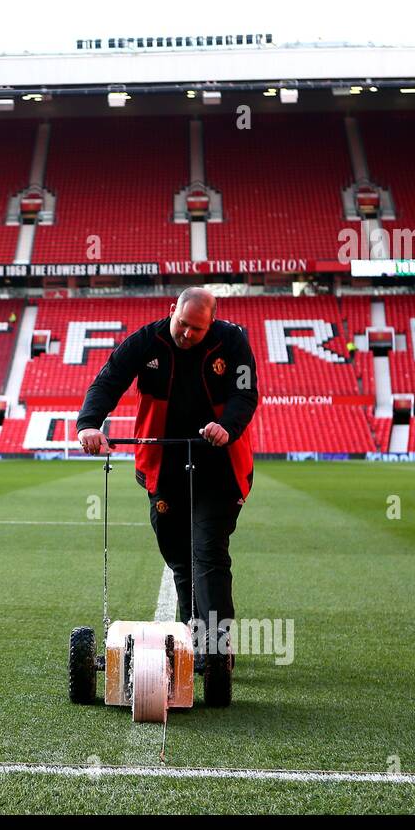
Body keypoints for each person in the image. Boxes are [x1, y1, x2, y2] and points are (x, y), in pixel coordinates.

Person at [76, 288, 258, 673]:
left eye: (197, 328)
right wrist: (90, 423)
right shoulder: (147, 341)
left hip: (219, 465)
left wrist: (226, 427)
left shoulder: (233, 341)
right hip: (165, 465)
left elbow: (245, 395)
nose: (188, 334)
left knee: (208, 553)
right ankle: (194, 642)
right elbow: (109, 380)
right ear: (172, 309)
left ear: (212, 322)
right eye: (183, 324)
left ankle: (216, 652)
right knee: (179, 558)